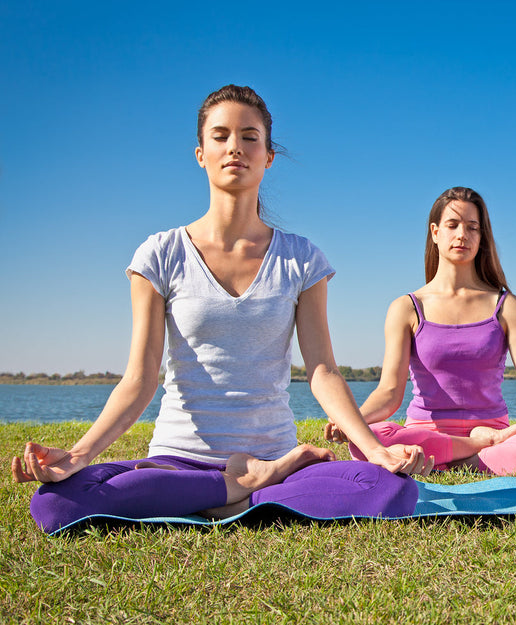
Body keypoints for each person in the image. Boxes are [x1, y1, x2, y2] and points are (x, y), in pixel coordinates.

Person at [11, 85, 429, 534]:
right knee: (55, 504)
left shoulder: (301, 259)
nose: (235, 147)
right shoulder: (161, 253)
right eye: (221, 135)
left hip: (272, 452)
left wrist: (374, 450)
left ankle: (253, 481)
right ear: (200, 153)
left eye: (250, 137)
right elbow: (140, 377)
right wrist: (77, 456)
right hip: (178, 456)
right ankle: (235, 490)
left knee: (391, 490)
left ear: (268, 156)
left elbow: (323, 370)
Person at [325, 187, 516, 475]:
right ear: (435, 232)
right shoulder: (406, 307)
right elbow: (388, 392)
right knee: (369, 439)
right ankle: (472, 452)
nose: (462, 234)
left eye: (472, 228)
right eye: (453, 225)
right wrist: (353, 421)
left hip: (493, 434)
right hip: (431, 435)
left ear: (481, 237)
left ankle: (450, 460)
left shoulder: (507, 306)